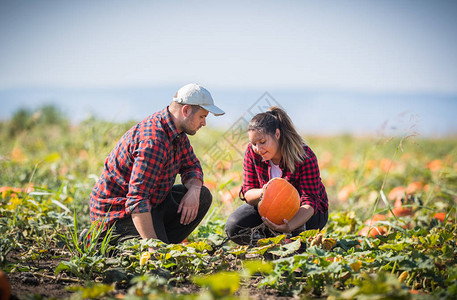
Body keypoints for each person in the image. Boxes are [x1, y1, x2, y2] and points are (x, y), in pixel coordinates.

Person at [88, 83, 225, 246]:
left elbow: (192, 166)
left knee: (202, 196)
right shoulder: (154, 141)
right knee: (148, 261)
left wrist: (194, 190)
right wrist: (153, 248)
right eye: (202, 116)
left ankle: (163, 244)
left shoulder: (177, 133)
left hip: (153, 204)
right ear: (186, 110)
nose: (204, 123)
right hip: (118, 215)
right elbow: (137, 200)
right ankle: (103, 241)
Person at [225, 106, 328, 245]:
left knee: (294, 246)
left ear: (277, 134)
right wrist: (266, 190)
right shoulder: (252, 152)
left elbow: (309, 202)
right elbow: (248, 193)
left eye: (262, 142)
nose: (258, 148)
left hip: (305, 213)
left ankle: (293, 244)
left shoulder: (304, 157)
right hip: (268, 207)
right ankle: (267, 244)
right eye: (254, 143)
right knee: (234, 226)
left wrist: (288, 227)